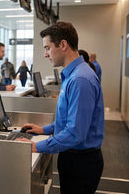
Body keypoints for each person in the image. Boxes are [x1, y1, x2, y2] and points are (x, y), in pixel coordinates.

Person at [17, 22, 104, 193]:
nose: (45, 54)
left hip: (81, 161)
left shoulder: (80, 79)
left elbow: (74, 133)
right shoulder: (73, 75)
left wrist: (36, 146)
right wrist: (44, 129)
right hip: (74, 157)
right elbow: (69, 120)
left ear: (63, 45)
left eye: (47, 48)